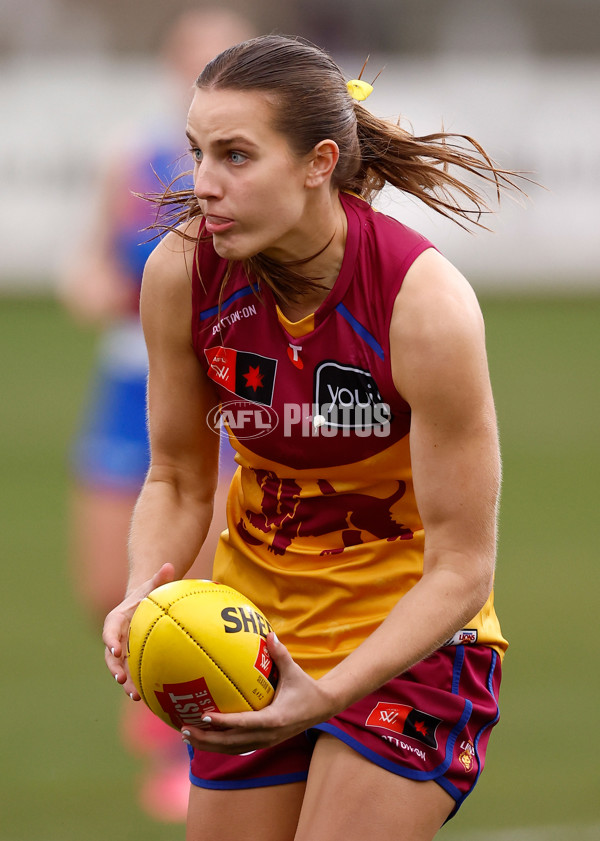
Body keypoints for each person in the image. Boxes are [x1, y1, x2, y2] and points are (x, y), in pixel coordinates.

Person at [103, 34, 524, 840]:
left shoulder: (422, 304)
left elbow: (463, 567)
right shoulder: (180, 274)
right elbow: (178, 479)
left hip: (413, 645)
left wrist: (329, 693)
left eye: (235, 155)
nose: (204, 184)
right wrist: (139, 589)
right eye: (198, 152)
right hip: (252, 639)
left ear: (318, 161)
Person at [59, 8, 256, 822]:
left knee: (195, 581)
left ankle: (199, 742)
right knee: (107, 582)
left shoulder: (252, 171)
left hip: (213, 399)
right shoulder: (132, 155)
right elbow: (90, 259)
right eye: (194, 60)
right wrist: (94, 289)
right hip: (124, 391)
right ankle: (158, 703)